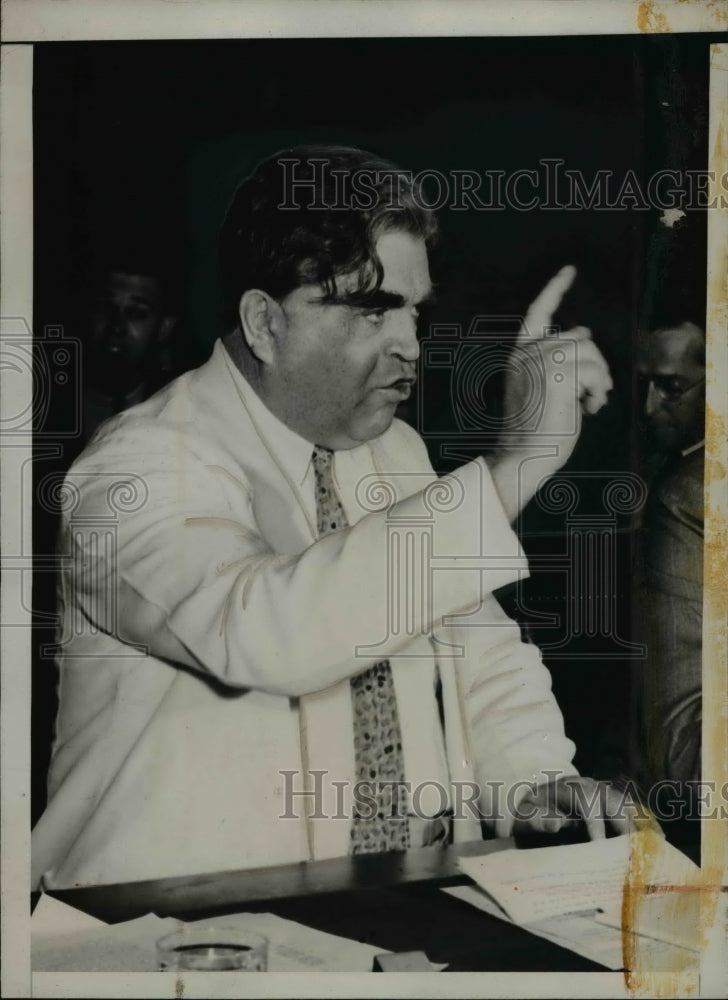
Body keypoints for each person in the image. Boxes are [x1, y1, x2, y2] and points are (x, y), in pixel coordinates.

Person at [32, 145, 628, 890]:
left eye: (415, 311)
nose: (409, 345)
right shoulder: (132, 466)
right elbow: (265, 629)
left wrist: (534, 778)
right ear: (264, 322)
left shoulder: (397, 450)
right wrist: (516, 466)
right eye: (372, 310)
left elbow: (479, 651)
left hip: (387, 909)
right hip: (169, 934)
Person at [635, 320, 705, 796]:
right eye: (646, 384)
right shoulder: (686, 493)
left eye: (671, 387)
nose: (647, 407)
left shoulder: (683, 498)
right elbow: (687, 761)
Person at [79, 244, 181, 445]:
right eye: (105, 307)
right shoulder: (41, 402)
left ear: (164, 328)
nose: (116, 326)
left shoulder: (178, 411)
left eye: (136, 313)